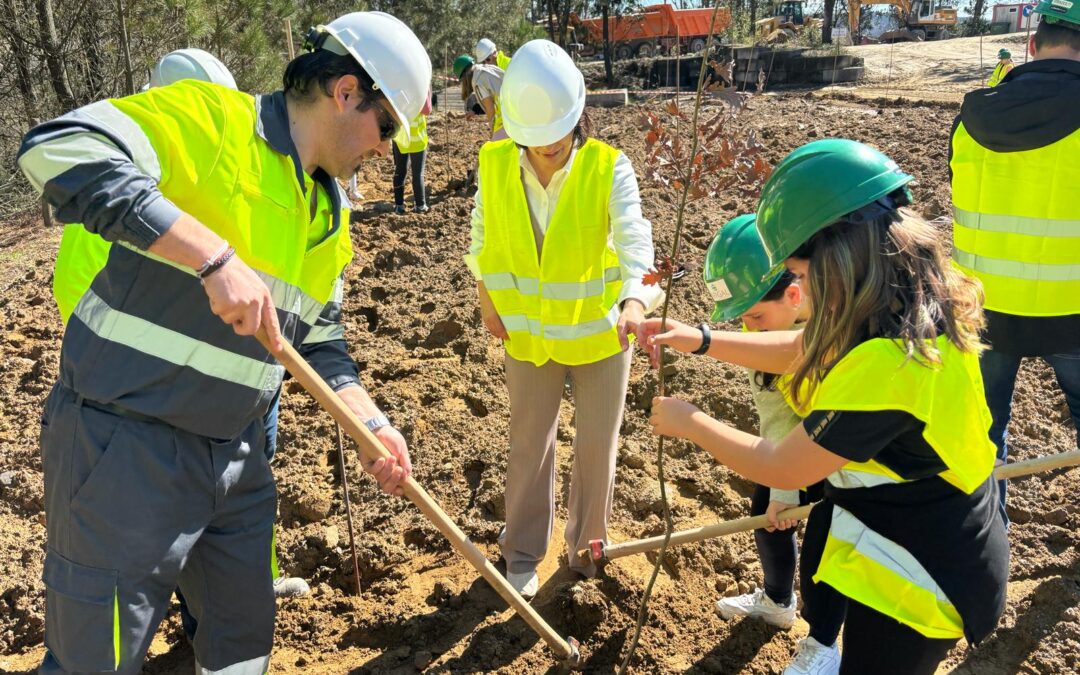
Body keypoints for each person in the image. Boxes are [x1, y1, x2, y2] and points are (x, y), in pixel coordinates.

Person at [18, 11, 429, 673]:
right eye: (386, 126)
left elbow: (319, 339)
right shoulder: (214, 123)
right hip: (125, 446)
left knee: (240, 649)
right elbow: (58, 148)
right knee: (94, 659)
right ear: (346, 91)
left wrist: (370, 421)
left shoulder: (329, 213)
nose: (386, 149)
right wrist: (210, 256)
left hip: (235, 458)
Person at [644, 139, 1008, 674]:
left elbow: (782, 465)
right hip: (926, 536)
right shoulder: (905, 303)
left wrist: (690, 421)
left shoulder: (889, 365)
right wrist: (699, 340)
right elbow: (803, 349)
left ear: (837, 256)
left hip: (925, 576)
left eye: (798, 270)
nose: (798, 287)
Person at [465, 39, 662, 598]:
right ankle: (523, 549)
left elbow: (634, 239)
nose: (548, 147)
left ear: (578, 116)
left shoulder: (608, 168)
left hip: (601, 336)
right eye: (534, 140)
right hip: (527, 334)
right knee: (529, 442)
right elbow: (482, 232)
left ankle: (585, 551)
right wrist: (484, 290)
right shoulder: (495, 164)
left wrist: (633, 301)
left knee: (598, 447)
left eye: (558, 135)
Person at [693, 215, 843, 675]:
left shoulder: (837, 329)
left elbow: (828, 424)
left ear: (794, 295)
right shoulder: (765, 335)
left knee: (825, 552)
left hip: (840, 453)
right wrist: (779, 486)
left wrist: (789, 483)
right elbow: (775, 414)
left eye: (754, 314)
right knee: (768, 519)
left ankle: (824, 644)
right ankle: (778, 601)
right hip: (793, 444)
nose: (747, 326)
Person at [950, 1, 1080, 527]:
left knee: (982, 443)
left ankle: (987, 543)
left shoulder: (971, 116)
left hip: (984, 313)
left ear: (1031, 45)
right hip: (1072, 313)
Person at [392, 89, 433, 214]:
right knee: (418, 173)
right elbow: (427, 110)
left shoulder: (397, 85)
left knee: (400, 169)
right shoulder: (420, 85)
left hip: (401, 136)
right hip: (417, 137)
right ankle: (420, 206)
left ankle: (399, 205)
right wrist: (428, 90)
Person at [453, 53, 506, 141]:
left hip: (509, 117)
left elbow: (490, 107)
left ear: (464, 76)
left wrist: (493, 131)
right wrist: (475, 110)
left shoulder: (477, 80)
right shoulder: (486, 68)